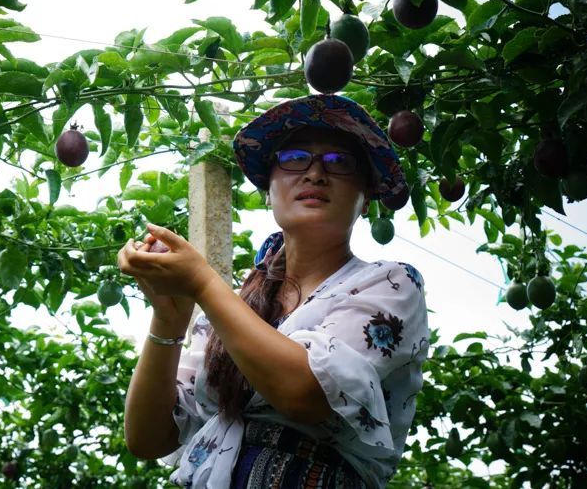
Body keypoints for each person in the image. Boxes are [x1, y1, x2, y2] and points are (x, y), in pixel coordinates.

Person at [119, 94, 430, 488]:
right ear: (268, 190)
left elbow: (306, 394)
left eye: (339, 161)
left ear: (366, 198)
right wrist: (168, 319)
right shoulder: (232, 312)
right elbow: (147, 439)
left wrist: (201, 283)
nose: (315, 173)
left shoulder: (391, 284)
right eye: (295, 158)